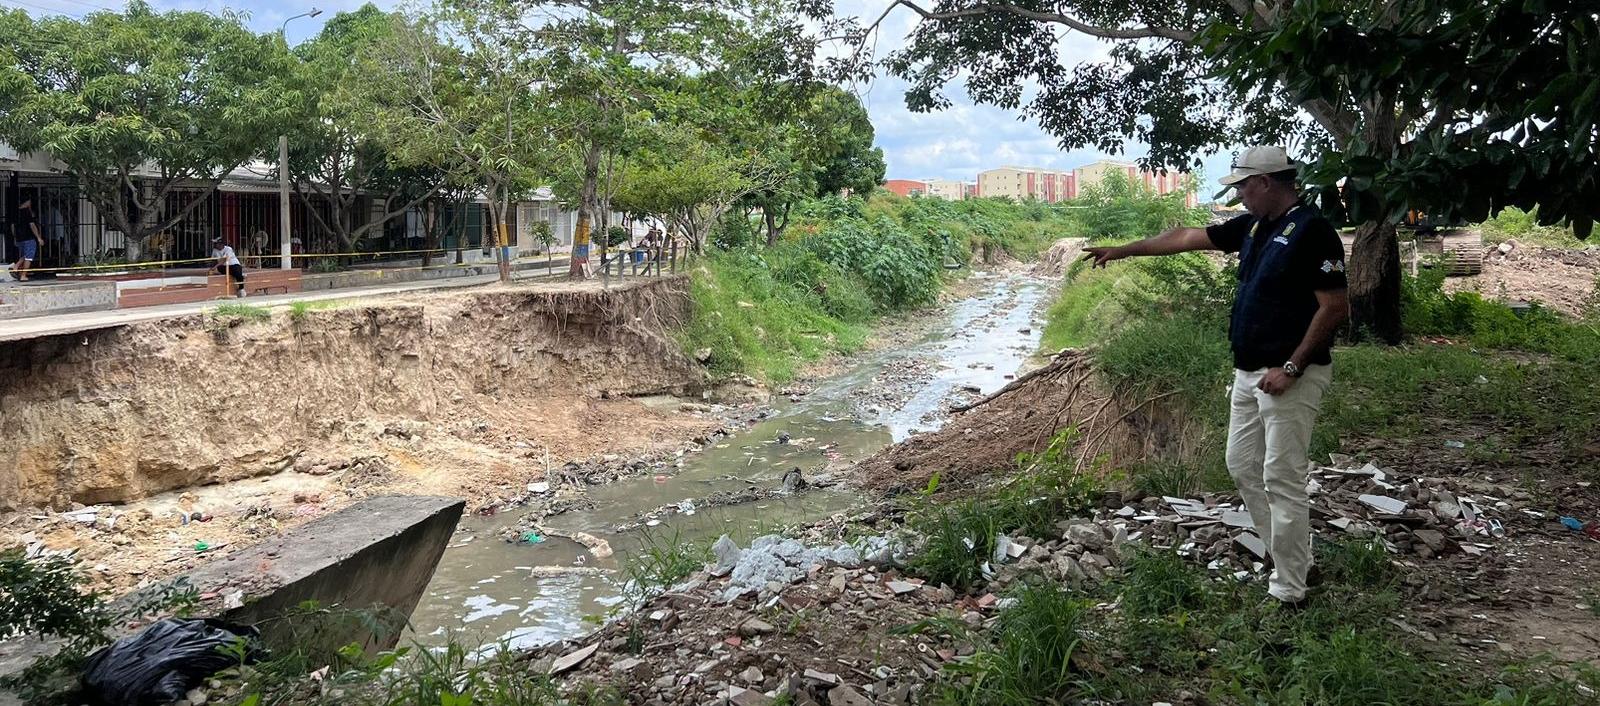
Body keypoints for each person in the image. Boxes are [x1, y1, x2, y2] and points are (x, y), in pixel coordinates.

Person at [1081, 146, 1350, 607]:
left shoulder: (1313, 231)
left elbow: (1334, 307)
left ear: (1264, 182)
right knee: (1242, 466)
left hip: (1289, 376)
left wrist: (1292, 367)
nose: (1240, 196)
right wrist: (1122, 251)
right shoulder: (1254, 226)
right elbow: (1185, 236)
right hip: (1248, 373)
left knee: (1281, 476)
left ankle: (1291, 591)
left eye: (1242, 187)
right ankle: (1294, 560)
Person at [9, 197, 43, 282]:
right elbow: (32, 225)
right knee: (29, 257)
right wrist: (38, 237)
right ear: (27, 202)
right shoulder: (26, 212)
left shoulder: (15, 212)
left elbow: (12, 226)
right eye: (29, 202)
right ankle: (23, 274)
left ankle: (16, 267)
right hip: (29, 238)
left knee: (24, 255)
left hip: (20, 239)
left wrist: (15, 238)